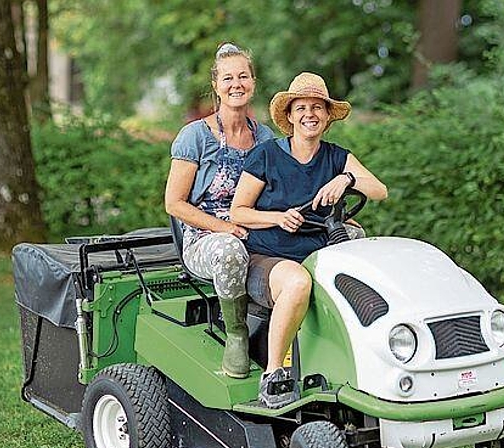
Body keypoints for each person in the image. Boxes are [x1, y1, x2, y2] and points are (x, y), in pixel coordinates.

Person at [230, 72, 388, 407]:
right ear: (289, 116)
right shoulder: (266, 156)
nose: (310, 114)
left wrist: (346, 179)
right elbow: (238, 212)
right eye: (301, 107)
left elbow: (379, 190)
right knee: (299, 282)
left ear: (328, 116)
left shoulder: (335, 157)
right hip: (267, 260)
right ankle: (273, 375)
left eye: (318, 107)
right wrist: (277, 216)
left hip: (318, 257)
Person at [164, 42, 274, 379]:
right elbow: (174, 203)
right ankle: (237, 333)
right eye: (228, 78)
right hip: (206, 240)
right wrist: (222, 228)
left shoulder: (266, 137)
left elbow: (275, 194)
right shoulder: (195, 136)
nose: (236, 84)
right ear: (216, 86)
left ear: (253, 82)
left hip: (252, 230)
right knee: (229, 251)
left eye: (243, 76)